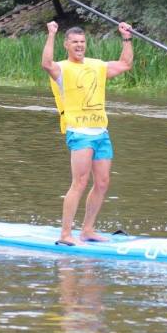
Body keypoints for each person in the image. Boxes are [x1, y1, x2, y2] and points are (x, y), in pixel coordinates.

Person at [42, 21, 133, 246]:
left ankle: (87, 230)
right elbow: (46, 63)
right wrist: (51, 34)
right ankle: (65, 234)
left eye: (82, 42)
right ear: (67, 45)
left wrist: (126, 37)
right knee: (80, 182)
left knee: (102, 182)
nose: (79, 45)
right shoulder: (61, 68)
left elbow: (125, 64)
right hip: (79, 132)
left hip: (101, 131)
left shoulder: (96, 65)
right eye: (74, 42)